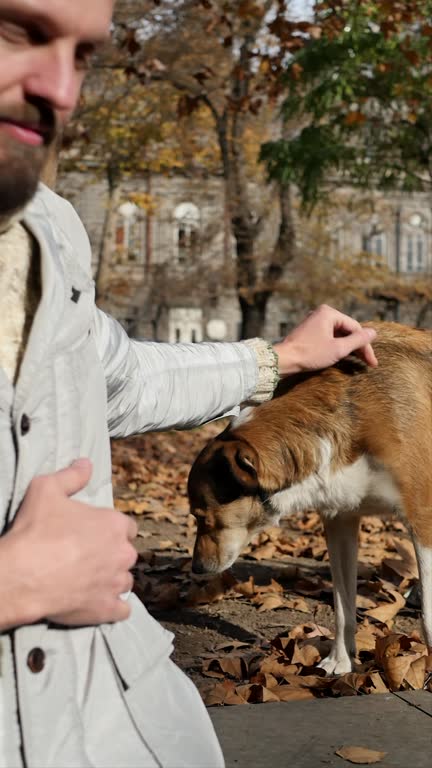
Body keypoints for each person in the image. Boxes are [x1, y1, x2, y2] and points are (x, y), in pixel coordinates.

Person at [0, 1, 378, 766]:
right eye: (18, 30)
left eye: (86, 54)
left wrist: (277, 362)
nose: (63, 90)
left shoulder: (52, 231)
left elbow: (119, 377)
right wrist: (15, 585)